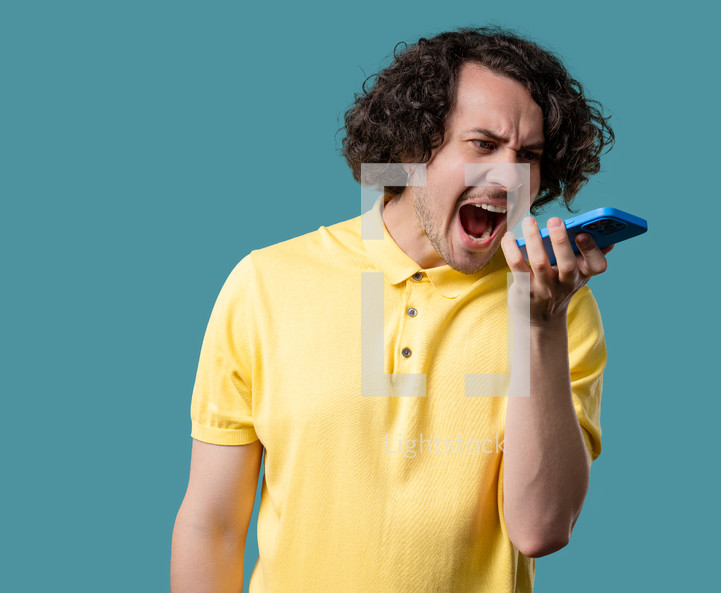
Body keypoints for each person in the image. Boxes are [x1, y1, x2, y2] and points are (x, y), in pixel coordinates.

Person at [171, 26, 615, 593]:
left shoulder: (557, 307)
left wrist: (540, 326)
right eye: (482, 144)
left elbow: (541, 529)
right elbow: (213, 525)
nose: (509, 178)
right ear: (413, 144)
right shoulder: (267, 283)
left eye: (527, 156)